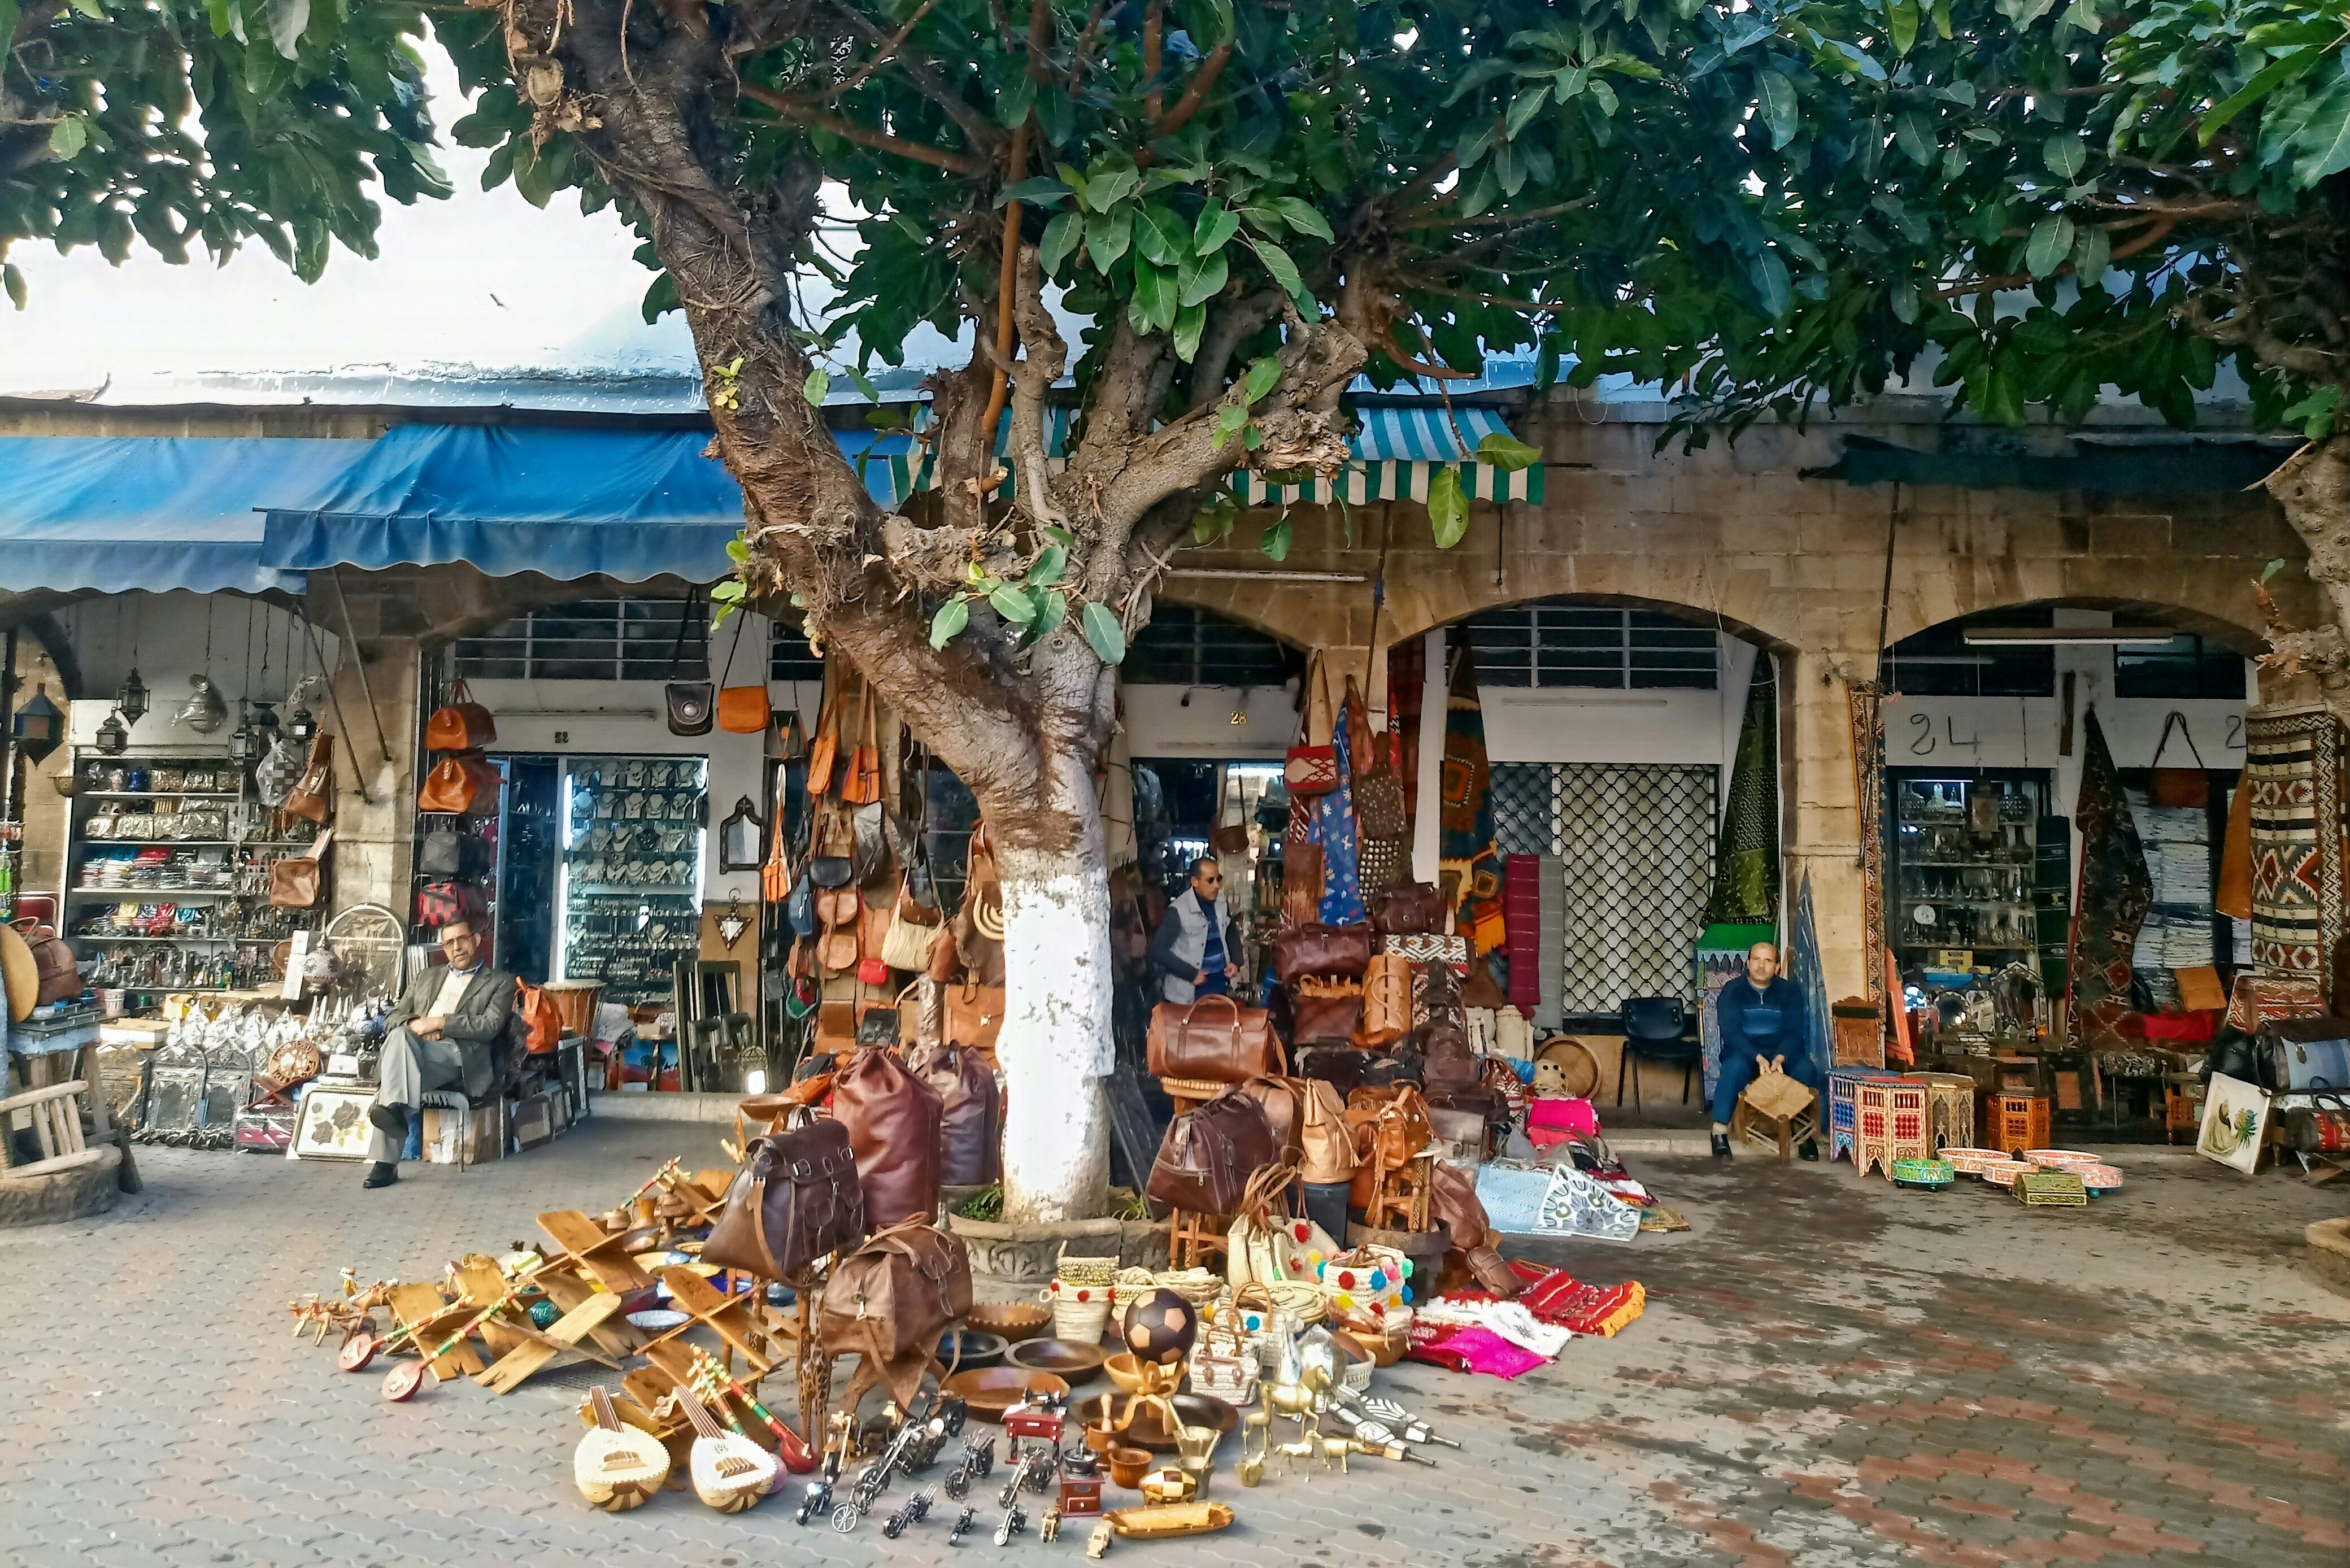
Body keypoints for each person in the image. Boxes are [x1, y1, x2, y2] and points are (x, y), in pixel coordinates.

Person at [362, 915, 516, 1188]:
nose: (456, 947)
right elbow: (393, 1017)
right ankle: (395, 1112)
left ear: (476, 940)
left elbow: (490, 1026)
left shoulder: (499, 981)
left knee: (396, 1074)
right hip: (417, 1048)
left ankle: (385, 1163)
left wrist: (440, 1023)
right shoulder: (427, 976)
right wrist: (415, 1026)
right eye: (449, 943)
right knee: (400, 1035)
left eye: (462, 939)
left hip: (459, 1055)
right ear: (443, 949)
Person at [1710, 940, 1822, 1160]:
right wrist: (1758, 1058)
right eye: (1756, 960)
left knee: (1806, 1069)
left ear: (1777, 967)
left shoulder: (1789, 991)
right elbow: (1731, 1033)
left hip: (1780, 1051)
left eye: (1768, 961)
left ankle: (1804, 1135)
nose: (1761, 966)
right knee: (1733, 1068)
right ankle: (1719, 1132)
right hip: (1745, 1051)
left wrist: (1780, 1057)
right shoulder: (1733, 991)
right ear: (1748, 963)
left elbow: (1794, 1031)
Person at [1149, 855, 1242, 1005]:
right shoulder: (1178, 911)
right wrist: (1191, 974)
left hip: (1218, 986)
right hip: (1186, 994)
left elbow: (1230, 930)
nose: (1217, 885)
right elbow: (1158, 950)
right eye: (1210, 880)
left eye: (1219, 879)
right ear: (1195, 882)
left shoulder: (1221, 902)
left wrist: (1236, 961)